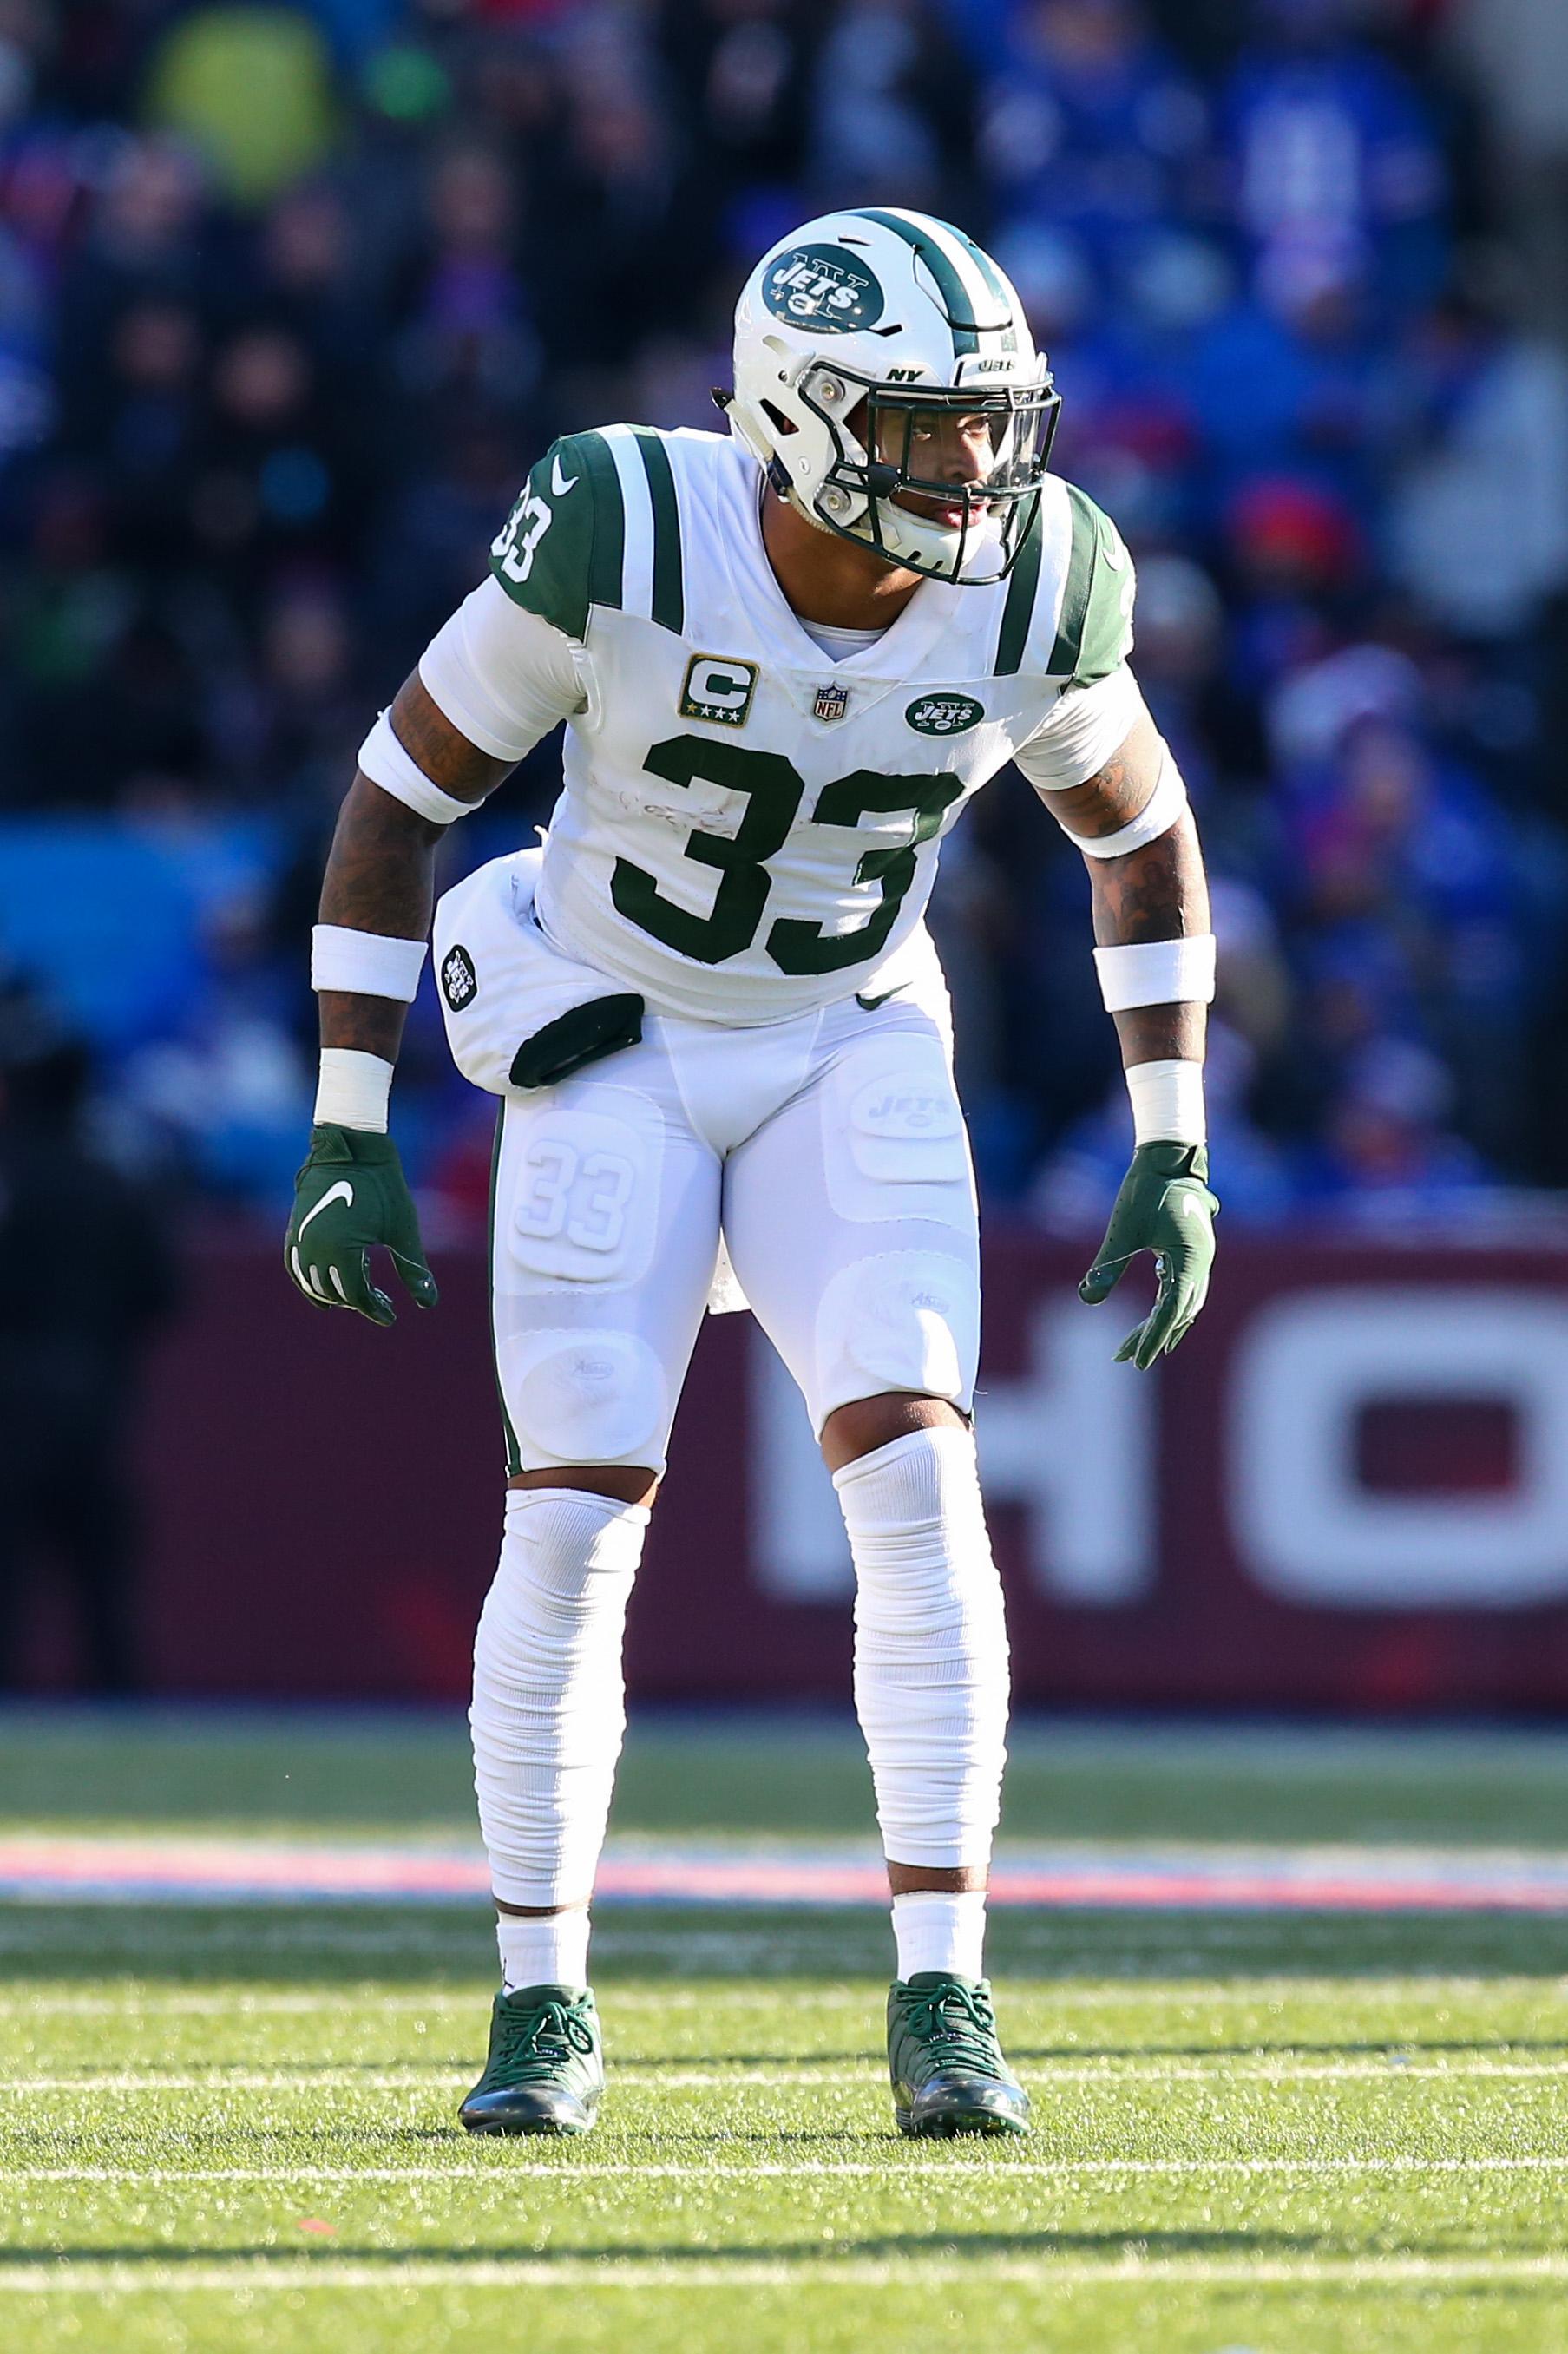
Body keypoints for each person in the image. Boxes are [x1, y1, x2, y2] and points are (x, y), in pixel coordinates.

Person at [285, 207, 1219, 2140]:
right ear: (793, 416)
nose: (971, 471)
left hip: (848, 1030)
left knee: (919, 1475)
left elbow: (1139, 834)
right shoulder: (631, 528)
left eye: (988, 427)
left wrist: (1174, 1128)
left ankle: (945, 1992)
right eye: (923, 424)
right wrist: (345, 1119)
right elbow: (400, 797)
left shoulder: (1040, 580)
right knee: (578, 1500)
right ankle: (542, 1995)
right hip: (609, 1026)